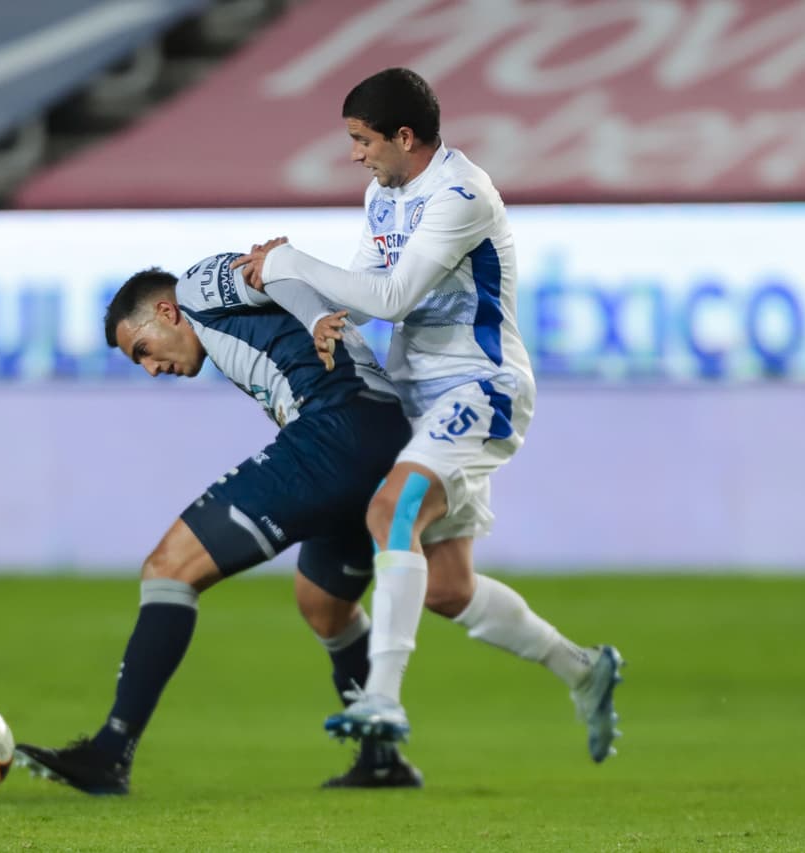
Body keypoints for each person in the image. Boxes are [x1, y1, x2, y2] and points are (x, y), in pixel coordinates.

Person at [233, 67, 624, 763]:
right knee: (448, 587)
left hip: (481, 386)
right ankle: (584, 668)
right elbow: (362, 283)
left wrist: (292, 257)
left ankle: (382, 695)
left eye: (361, 140)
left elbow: (392, 296)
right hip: (419, 399)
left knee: (393, 510)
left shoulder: (461, 194)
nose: (354, 154)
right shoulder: (383, 194)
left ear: (404, 137)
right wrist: (322, 311)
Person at [14, 252, 421, 794]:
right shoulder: (238, 322)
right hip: (384, 437)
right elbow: (301, 281)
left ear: (167, 311)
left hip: (334, 433)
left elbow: (274, 268)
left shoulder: (197, 289)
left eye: (145, 350)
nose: (153, 369)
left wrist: (280, 263)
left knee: (169, 568)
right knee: (325, 606)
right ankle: (381, 758)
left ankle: (110, 751)